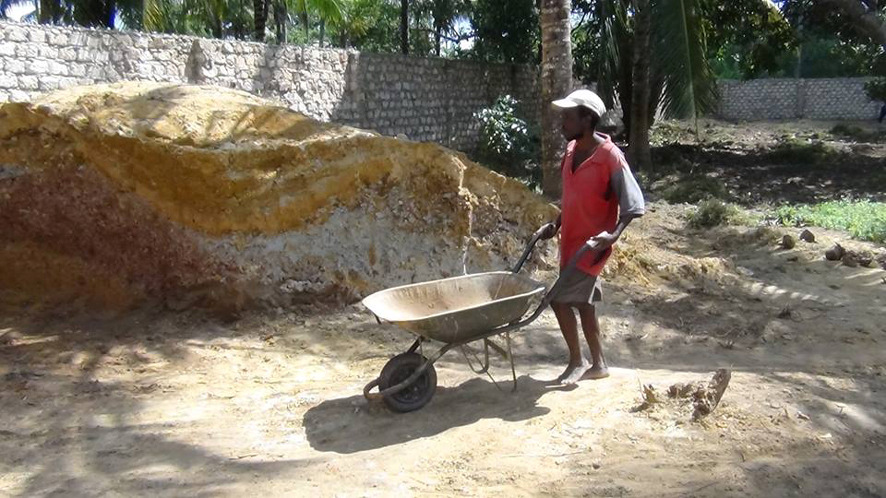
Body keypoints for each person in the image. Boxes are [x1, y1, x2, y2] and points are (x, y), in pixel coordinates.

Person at [538, 89, 646, 385]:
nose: (563, 123)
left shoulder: (610, 157)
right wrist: (557, 224)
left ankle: (577, 361)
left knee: (557, 301)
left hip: (591, 246)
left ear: (587, 119)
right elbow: (572, 196)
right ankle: (598, 363)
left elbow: (633, 205)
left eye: (569, 117)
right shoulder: (572, 152)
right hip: (570, 242)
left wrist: (611, 236)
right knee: (583, 305)